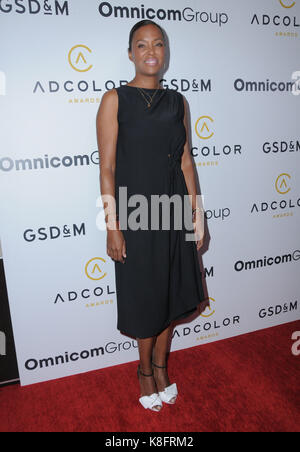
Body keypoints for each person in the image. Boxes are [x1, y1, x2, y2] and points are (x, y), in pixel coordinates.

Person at [96, 20, 205, 412]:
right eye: (141, 45)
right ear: (130, 54)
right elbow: (107, 169)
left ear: (166, 52)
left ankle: (161, 366)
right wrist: (113, 225)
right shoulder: (115, 99)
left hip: (174, 211)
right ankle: (144, 372)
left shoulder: (178, 102)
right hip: (138, 215)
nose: (151, 51)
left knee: (172, 293)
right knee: (146, 299)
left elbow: (186, 161)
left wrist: (198, 212)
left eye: (158, 44)